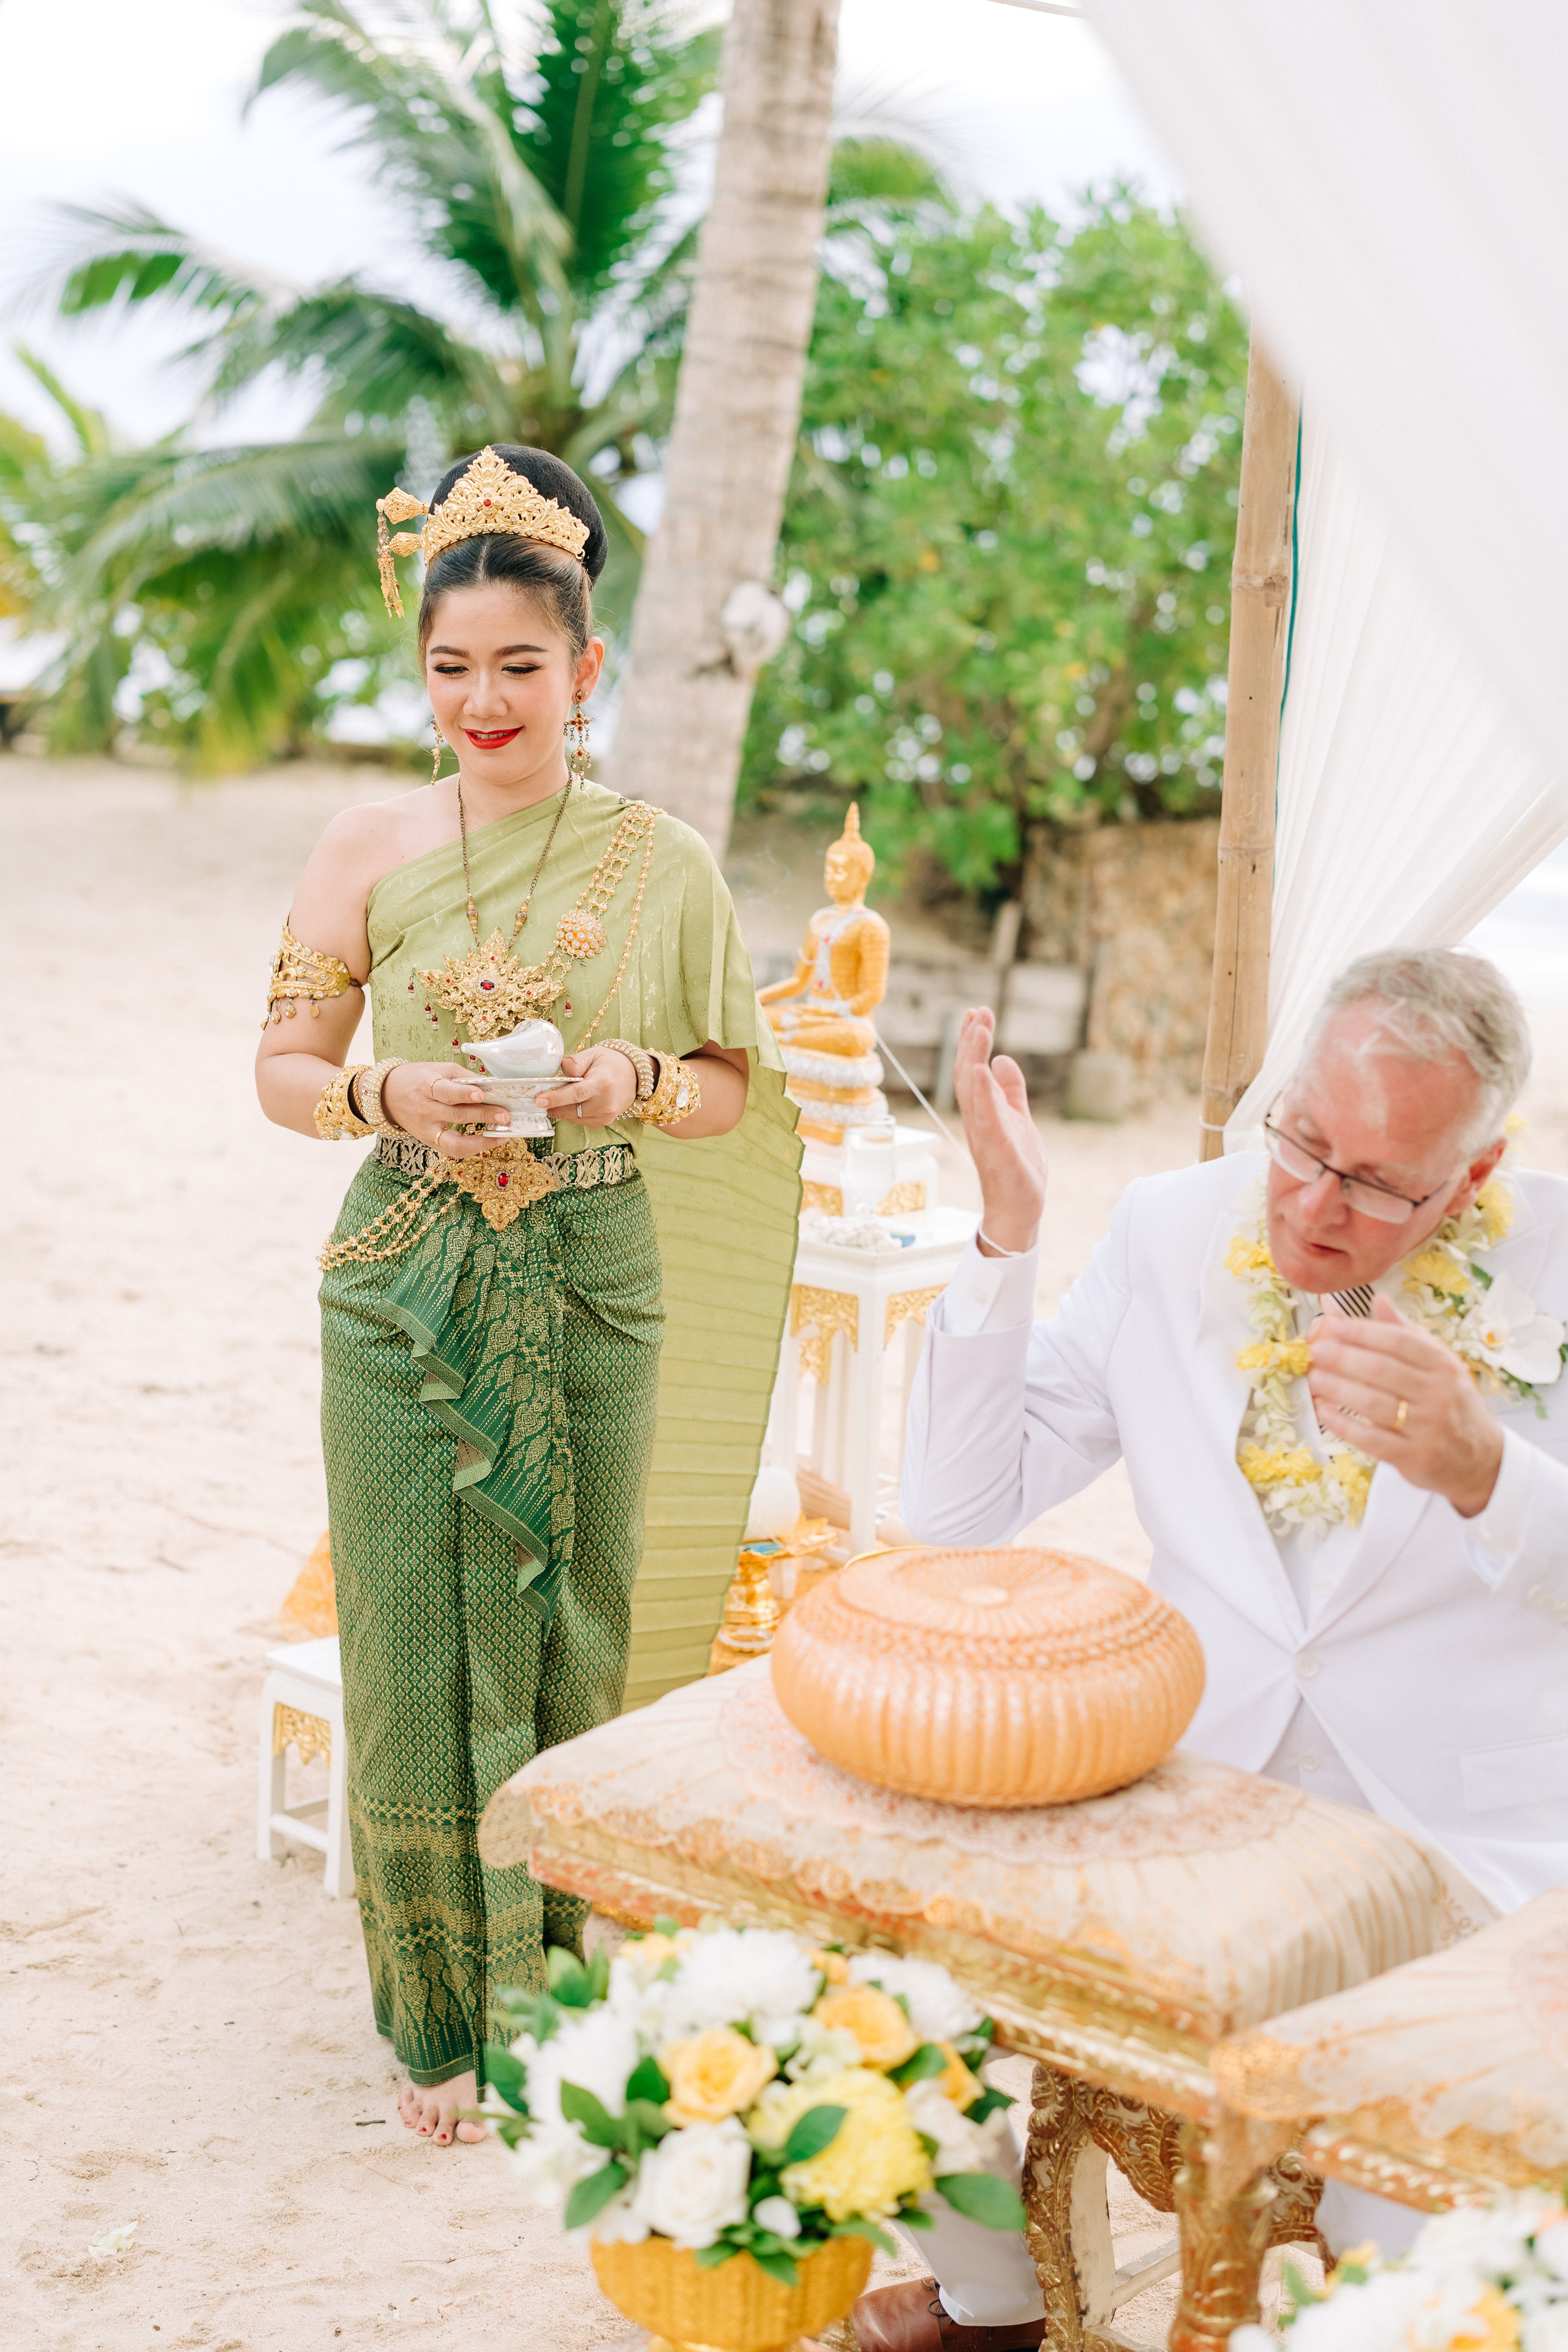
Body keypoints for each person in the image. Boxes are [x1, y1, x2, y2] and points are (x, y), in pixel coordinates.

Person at [853, 947, 1568, 2352]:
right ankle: (994, 2299)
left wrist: (1488, 1473)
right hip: (1193, 1803)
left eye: (1374, 1183)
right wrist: (1006, 1236)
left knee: (1412, 2206)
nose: (1311, 1202)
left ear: (1472, 1176)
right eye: (1301, 1142)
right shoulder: (1170, 1228)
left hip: (1452, 1838)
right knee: (877, 1991)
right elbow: (954, 1511)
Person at [255, 445, 799, 2150]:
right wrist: (382, 1094)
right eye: (449, 665)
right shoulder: (364, 842)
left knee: (577, 1626)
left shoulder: (663, 860)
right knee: (406, 1637)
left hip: (590, 1274)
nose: (482, 701)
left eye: (517, 664)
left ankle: (557, 1989)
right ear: (419, 668)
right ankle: (434, 2014)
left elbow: (731, 1086)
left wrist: (634, 1078)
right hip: (401, 1281)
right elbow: (282, 1066)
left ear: (586, 666)